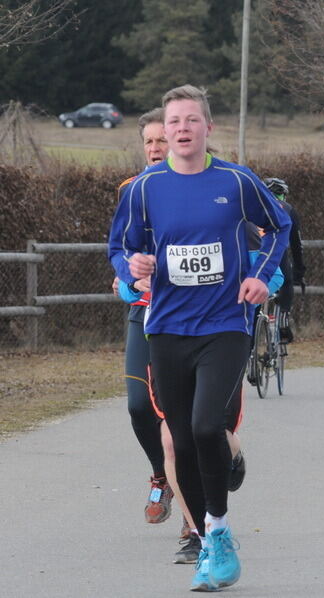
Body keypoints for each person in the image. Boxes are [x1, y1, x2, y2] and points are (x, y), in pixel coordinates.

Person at [109, 84, 290, 591]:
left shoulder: (235, 181)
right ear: (163, 133)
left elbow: (279, 226)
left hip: (226, 324)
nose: (182, 129)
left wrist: (262, 275)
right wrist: (134, 265)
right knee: (181, 439)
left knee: (207, 427)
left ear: (208, 128)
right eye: (174, 123)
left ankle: (216, 525)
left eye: (192, 120)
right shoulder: (145, 188)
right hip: (166, 326)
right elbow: (120, 246)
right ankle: (211, 536)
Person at [111, 108, 173, 529]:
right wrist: (127, 282)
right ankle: (161, 474)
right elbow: (120, 249)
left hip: (186, 316)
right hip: (143, 311)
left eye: (161, 141)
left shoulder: (197, 188)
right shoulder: (130, 190)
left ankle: (192, 500)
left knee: (176, 411)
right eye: (148, 142)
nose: (154, 149)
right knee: (138, 406)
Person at [262, 177, 306, 344]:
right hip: (277, 254)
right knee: (286, 281)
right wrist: (299, 271)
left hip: (254, 254)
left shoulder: (253, 206)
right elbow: (296, 245)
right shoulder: (287, 209)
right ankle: (283, 321)